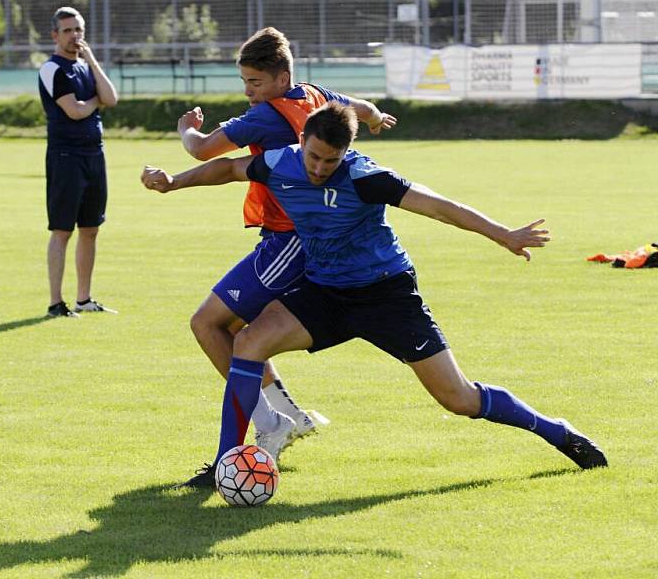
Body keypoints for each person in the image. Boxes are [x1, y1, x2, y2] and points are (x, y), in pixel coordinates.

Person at [142, 101, 608, 488]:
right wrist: (174, 182)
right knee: (247, 343)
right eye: (315, 157)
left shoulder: (366, 177)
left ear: (347, 152)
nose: (321, 168)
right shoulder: (280, 162)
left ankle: (558, 432)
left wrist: (501, 233)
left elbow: (440, 207)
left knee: (459, 399)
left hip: (387, 296)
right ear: (302, 140)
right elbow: (227, 168)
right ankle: (226, 465)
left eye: (331, 160)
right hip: (325, 293)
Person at [174, 27, 397, 470]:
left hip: (289, 240)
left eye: (254, 82)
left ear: (281, 77)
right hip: (306, 234)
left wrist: (186, 131)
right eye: (244, 83)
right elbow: (363, 108)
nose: (248, 92)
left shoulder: (266, 115)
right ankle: (291, 416)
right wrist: (374, 120)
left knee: (207, 325)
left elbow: (202, 152)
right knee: (242, 333)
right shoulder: (316, 94)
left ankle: (270, 423)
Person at [38, 6, 119, 318]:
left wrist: (94, 63)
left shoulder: (86, 67)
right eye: (68, 30)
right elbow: (75, 110)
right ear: (55, 35)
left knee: (91, 228)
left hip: (94, 154)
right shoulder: (51, 69)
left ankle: (84, 299)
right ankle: (56, 303)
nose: (75, 36)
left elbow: (111, 98)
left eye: (79, 30)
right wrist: (95, 101)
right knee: (62, 230)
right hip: (65, 156)